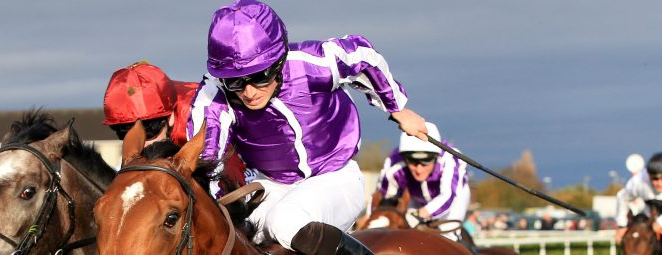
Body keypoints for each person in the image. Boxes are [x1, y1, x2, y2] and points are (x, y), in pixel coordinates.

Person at [187, 1, 429, 254]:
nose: (248, 92)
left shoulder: (313, 63)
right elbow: (207, 154)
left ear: (279, 61)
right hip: (274, 184)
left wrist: (397, 108)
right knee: (231, 229)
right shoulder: (215, 93)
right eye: (234, 82)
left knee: (285, 222)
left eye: (259, 77)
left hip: (335, 176)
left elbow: (362, 56)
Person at [103, 61, 250, 195]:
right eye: (124, 131)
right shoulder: (157, 108)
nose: (140, 143)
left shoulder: (197, 118)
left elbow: (227, 172)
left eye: (149, 129)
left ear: (170, 117)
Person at [375, 122, 470, 241]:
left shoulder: (451, 159)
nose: (419, 169)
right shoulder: (394, 163)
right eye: (413, 161)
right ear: (404, 158)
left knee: (447, 238)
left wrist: (419, 215)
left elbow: (448, 196)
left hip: (453, 199)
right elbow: (385, 198)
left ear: (436, 156)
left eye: (426, 161)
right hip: (417, 199)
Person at [615, 152, 662, 244]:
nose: (659, 183)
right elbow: (622, 197)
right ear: (648, 175)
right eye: (655, 179)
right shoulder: (638, 182)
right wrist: (622, 225)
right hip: (651, 215)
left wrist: (660, 223)